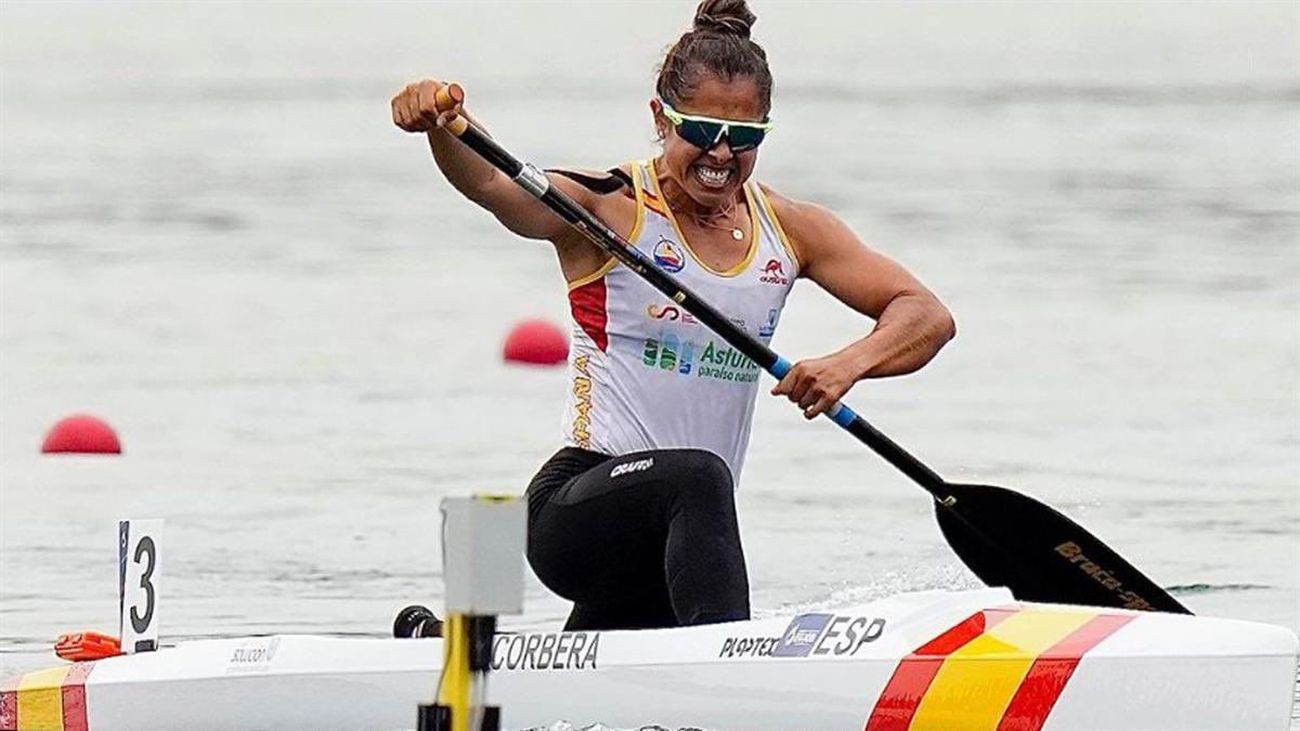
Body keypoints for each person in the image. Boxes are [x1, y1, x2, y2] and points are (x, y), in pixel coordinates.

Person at [391, 0, 955, 631]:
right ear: (660, 119)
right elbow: (494, 185)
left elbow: (926, 315)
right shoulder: (610, 209)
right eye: (701, 130)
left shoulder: (793, 230)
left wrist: (847, 364)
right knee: (699, 475)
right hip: (577, 509)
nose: (721, 153)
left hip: (675, 543)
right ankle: (732, 675)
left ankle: (448, 649)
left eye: (743, 138)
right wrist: (443, 125)